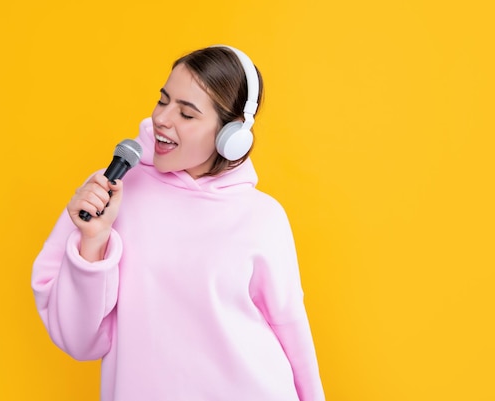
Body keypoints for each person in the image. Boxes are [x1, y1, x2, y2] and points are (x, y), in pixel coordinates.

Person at [31, 45, 325, 401]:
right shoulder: (110, 193)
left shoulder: (263, 217)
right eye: (163, 100)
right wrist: (93, 242)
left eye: (186, 114)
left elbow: (290, 327)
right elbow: (78, 341)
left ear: (230, 137)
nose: (162, 119)